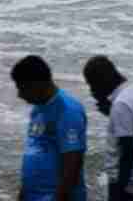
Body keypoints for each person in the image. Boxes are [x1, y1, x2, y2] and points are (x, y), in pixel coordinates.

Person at [82, 56, 133, 201]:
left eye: (92, 85)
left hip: (131, 184)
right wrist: (112, 113)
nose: (92, 91)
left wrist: (119, 190)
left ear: (102, 81)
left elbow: (127, 152)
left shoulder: (121, 104)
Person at [12, 55, 88, 201]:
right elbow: (34, 151)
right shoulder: (38, 109)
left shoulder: (68, 111)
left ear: (38, 84)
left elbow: (72, 163)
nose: (19, 95)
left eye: (22, 88)